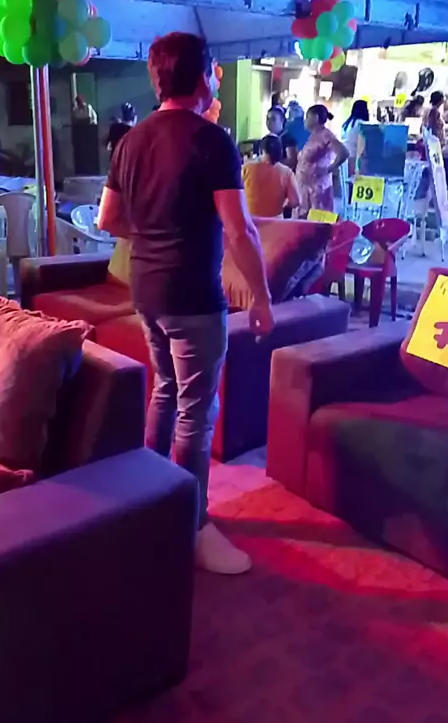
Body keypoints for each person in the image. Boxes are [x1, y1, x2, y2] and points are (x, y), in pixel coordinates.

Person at [97, 32, 274, 575]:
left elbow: (107, 219)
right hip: (194, 296)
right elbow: (239, 230)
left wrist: (154, 236)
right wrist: (262, 297)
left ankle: (155, 502)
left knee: (166, 393)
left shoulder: (131, 140)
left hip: (146, 290)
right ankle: (192, 525)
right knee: (196, 411)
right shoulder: (211, 140)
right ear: (201, 78)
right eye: (213, 70)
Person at [296, 104, 349, 214]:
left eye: (307, 117)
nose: (305, 120)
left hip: (318, 191)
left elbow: (343, 153)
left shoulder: (326, 135)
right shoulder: (313, 136)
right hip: (305, 190)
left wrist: (328, 169)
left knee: (316, 220)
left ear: (315, 118)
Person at [243, 134, 299, 217]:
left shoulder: (246, 168)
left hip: (251, 221)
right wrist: (284, 204)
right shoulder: (287, 172)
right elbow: (295, 201)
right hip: (276, 221)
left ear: (261, 151)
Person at [341, 99, 369, 171]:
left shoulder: (346, 124)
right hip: (354, 157)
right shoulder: (361, 124)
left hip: (344, 155)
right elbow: (363, 144)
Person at [266, 106, 298, 170]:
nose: (269, 122)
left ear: (282, 120)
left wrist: (271, 163)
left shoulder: (288, 139)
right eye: (267, 119)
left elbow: (292, 161)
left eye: (273, 119)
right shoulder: (268, 138)